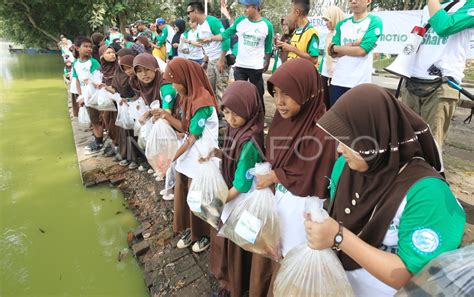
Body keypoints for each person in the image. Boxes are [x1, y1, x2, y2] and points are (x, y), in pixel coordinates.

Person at [308, 84, 466, 296]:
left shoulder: (427, 193)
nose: (339, 149)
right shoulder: (345, 167)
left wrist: (339, 237)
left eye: (348, 141)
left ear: (376, 136)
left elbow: (415, 274)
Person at [254, 58, 336, 296]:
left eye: (287, 94)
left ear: (307, 92)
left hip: (301, 211)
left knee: (290, 265)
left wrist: (274, 176)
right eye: (275, 92)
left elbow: (311, 175)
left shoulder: (323, 132)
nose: (279, 102)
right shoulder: (283, 120)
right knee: (273, 253)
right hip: (279, 201)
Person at [203, 81, 264, 297]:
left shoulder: (249, 140)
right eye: (226, 112)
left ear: (249, 108)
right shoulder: (237, 127)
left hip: (241, 198)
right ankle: (230, 282)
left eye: (235, 113)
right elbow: (231, 155)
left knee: (236, 243)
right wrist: (217, 153)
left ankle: (234, 286)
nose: (229, 119)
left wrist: (217, 201)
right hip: (232, 193)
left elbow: (241, 184)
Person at [162, 58, 220, 253]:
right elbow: (184, 128)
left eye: (174, 81)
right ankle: (190, 229)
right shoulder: (187, 95)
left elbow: (191, 138)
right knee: (186, 192)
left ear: (185, 77)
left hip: (201, 157)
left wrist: (171, 157)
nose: (173, 87)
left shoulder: (201, 101)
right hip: (189, 156)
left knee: (199, 196)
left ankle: (203, 234)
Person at [400, 0, 474, 147]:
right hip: (412, 82)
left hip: (441, 85)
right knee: (406, 142)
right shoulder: (428, 7)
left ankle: (430, 170)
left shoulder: (469, 4)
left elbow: (444, 26)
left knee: (430, 146)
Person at [203, 0, 273, 99]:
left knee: (258, 95)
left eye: (247, 7)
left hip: (256, 67)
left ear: (255, 7)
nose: (245, 10)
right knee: (240, 95)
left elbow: (268, 47)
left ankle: (259, 114)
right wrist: (211, 38)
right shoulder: (240, 21)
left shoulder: (267, 25)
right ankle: (242, 114)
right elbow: (225, 34)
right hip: (240, 66)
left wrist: (267, 62)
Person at [327, 0, 383, 106]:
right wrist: (354, 44)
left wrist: (338, 48)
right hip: (338, 82)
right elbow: (331, 52)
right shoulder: (341, 25)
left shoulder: (374, 21)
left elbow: (362, 51)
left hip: (360, 84)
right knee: (335, 121)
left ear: (368, 1)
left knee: (357, 121)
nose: (353, 1)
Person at [187, 1, 231, 105]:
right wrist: (205, 62)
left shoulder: (212, 21)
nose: (188, 15)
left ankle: (222, 114)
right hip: (211, 60)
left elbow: (226, 38)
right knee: (210, 88)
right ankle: (214, 111)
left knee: (221, 89)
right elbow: (206, 45)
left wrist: (221, 60)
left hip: (220, 59)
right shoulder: (199, 26)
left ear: (196, 11)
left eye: (189, 12)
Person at [73, 36, 104, 155]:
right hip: (85, 96)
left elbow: (98, 80)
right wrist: (80, 96)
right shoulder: (76, 63)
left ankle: (99, 142)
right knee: (93, 119)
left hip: (94, 96)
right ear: (77, 48)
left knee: (96, 120)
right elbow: (77, 80)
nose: (89, 49)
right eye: (85, 46)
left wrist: (90, 84)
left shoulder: (93, 62)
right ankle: (98, 139)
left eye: (90, 46)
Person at [277, 0, 319, 66]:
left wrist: (292, 49)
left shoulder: (311, 32)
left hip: (302, 75)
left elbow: (314, 60)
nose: (289, 15)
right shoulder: (296, 31)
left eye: (291, 12)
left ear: (297, 12)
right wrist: (284, 47)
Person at [319, 6, 345, 109]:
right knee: (324, 106)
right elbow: (325, 57)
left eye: (327, 20)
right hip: (325, 75)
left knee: (335, 108)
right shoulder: (329, 34)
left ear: (335, 18)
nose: (325, 23)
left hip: (338, 77)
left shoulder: (343, 34)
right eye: (324, 20)